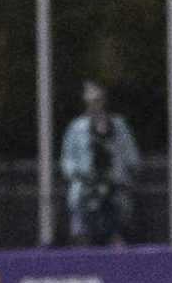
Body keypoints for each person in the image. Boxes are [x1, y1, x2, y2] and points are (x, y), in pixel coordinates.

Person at [60, 82, 141, 245]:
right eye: (91, 101)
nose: (95, 104)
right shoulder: (76, 128)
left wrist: (127, 176)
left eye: (98, 100)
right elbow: (67, 160)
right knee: (81, 232)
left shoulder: (118, 125)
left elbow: (131, 156)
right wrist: (79, 174)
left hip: (114, 187)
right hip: (85, 190)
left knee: (117, 231)